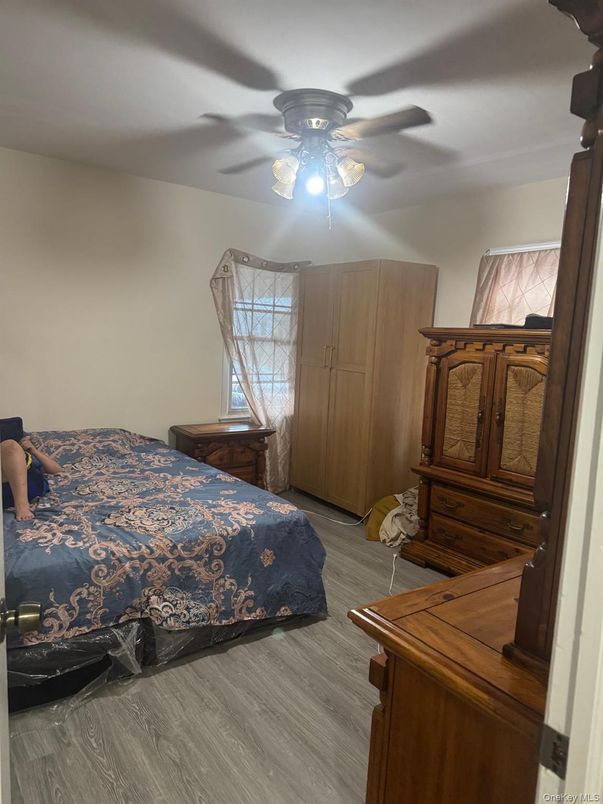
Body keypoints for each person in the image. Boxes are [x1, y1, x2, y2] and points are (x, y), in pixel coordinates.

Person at [1, 437, 63, 521]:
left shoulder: (21, 449)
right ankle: (21, 505)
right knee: (9, 446)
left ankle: (22, 505)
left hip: (29, 486)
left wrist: (34, 451)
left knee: (10, 446)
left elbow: (57, 470)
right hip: (4, 488)